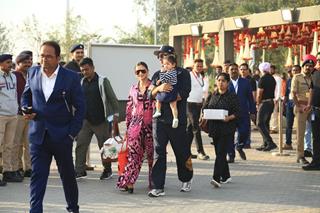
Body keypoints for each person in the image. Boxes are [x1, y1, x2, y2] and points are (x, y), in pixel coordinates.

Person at [21, 41, 85, 213]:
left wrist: (71, 133)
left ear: (57, 58)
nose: (44, 59)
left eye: (49, 56)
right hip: (38, 136)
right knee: (38, 177)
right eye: (42, 55)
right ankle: (35, 210)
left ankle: (73, 208)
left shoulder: (70, 77)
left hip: (62, 136)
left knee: (68, 177)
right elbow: (26, 96)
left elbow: (81, 108)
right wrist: (25, 108)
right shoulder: (32, 73)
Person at [148, 45, 193, 197]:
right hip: (159, 120)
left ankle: (186, 179)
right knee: (159, 153)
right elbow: (151, 94)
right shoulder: (157, 74)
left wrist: (168, 95)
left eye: (163, 56)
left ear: (172, 56)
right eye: (159, 56)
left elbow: (184, 93)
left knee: (181, 151)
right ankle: (158, 186)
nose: (160, 59)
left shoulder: (183, 73)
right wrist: (159, 89)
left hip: (177, 120)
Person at [75, 57, 119, 180]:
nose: (84, 72)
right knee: (81, 145)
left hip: (101, 121)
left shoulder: (102, 81)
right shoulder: (81, 82)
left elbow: (112, 98)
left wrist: (115, 114)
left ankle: (107, 170)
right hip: (86, 121)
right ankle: (79, 170)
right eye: (82, 70)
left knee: (105, 146)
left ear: (93, 68)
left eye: (87, 69)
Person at [117, 62, 154, 193]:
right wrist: (127, 128)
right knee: (133, 156)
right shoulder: (133, 88)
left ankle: (154, 182)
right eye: (137, 72)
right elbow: (129, 108)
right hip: (135, 127)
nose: (140, 74)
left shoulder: (153, 87)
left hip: (151, 126)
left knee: (152, 156)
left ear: (148, 71)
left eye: (142, 71)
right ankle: (129, 182)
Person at [203, 72, 240, 188]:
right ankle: (226, 175)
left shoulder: (232, 97)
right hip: (214, 128)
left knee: (220, 153)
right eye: (219, 80)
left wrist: (229, 118)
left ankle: (216, 178)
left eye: (223, 81)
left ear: (228, 83)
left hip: (227, 128)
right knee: (219, 153)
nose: (221, 83)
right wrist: (203, 114)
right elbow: (205, 107)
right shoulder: (212, 95)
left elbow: (238, 112)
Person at [227, 63, 256, 163]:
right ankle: (231, 155)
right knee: (229, 135)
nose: (234, 71)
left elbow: (250, 98)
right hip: (229, 114)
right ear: (228, 71)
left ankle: (239, 146)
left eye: (235, 69)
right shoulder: (225, 82)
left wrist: (253, 111)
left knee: (244, 131)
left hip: (243, 112)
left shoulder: (246, 82)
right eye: (232, 69)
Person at [0, 54, 20, 186]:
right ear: (1, 64)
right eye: (7, 62)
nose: (10, 64)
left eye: (11, 62)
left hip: (13, 114)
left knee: (9, 145)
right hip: (1, 115)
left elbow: (15, 94)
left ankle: (7, 171)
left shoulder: (13, 76)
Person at [13, 53, 33, 178]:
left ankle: (28, 168)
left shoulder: (31, 75)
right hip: (17, 114)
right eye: (25, 62)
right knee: (16, 143)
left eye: (30, 61)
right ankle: (17, 167)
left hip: (29, 115)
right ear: (18, 63)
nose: (28, 64)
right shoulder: (14, 76)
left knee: (28, 143)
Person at [291, 56, 313, 164]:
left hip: (312, 107)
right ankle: (300, 156)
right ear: (303, 67)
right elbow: (293, 93)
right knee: (301, 132)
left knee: (314, 132)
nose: (308, 68)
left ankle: (313, 153)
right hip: (301, 107)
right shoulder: (297, 77)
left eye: (310, 66)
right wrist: (298, 106)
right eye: (306, 66)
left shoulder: (313, 77)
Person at [187, 58, 209, 160]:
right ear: (193, 66)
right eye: (197, 66)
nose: (199, 68)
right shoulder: (189, 75)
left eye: (201, 66)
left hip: (198, 104)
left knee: (190, 128)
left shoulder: (201, 76)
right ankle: (201, 152)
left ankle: (186, 151)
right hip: (189, 104)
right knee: (196, 127)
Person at [303, 54, 320, 170]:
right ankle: (316, 161)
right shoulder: (314, 74)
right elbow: (312, 91)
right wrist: (309, 105)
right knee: (316, 138)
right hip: (316, 110)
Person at [153, 54, 179, 128]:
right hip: (169, 90)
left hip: (170, 90)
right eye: (164, 64)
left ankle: (174, 118)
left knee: (161, 100)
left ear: (173, 64)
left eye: (168, 64)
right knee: (171, 104)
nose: (165, 66)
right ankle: (159, 111)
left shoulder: (172, 72)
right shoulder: (170, 72)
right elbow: (164, 79)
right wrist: (159, 80)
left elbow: (164, 79)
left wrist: (161, 72)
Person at [256, 62, 277, 152]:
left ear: (261, 70)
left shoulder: (262, 79)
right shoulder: (272, 78)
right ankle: (265, 143)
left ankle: (270, 142)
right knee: (265, 123)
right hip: (271, 102)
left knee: (259, 123)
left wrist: (257, 103)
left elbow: (259, 94)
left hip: (264, 103)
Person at [283, 65, 301, 150]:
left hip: (299, 103)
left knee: (300, 125)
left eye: (297, 70)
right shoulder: (289, 80)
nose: (295, 72)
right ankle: (288, 143)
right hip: (289, 103)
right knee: (288, 124)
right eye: (293, 70)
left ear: (300, 71)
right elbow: (286, 93)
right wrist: (284, 104)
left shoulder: (303, 80)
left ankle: (300, 144)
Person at [269, 65, 282, 134]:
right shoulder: (270, 77)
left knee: (274, 113)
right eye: (269, 69)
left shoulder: (277, 78)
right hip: (270, 98)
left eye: (271, 69)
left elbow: (279, 88)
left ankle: (274, 128)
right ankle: (271, 127)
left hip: (275, 98)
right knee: (270, 113)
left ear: (274, 70)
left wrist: (277, 98)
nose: (270, 71)